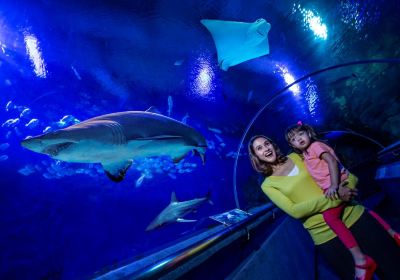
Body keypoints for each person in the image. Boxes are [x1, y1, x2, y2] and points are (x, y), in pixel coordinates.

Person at [248, 135, 400, 280]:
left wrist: (349, 184)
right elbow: (295, 211)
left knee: (393, 268)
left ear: (273, 145)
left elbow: (341, 170)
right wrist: (336, 197)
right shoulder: (268, 185)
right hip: (326, 236)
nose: (265, 149)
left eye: (267, 144)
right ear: (256, 156)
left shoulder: (298, 155)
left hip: (354, 215)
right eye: (259, 148)